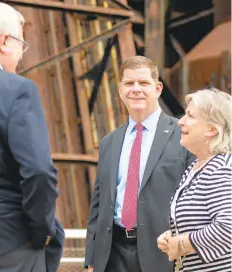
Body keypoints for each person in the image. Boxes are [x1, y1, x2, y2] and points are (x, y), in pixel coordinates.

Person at [0, 2, 64, 272]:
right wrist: (42, 231)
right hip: (5, 246)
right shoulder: (15, 89)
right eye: (21, 44)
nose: (21, 55)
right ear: (4, 41)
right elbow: (39, 172)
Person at [84, 56, 195, 272]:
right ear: (120, 90)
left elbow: (195, 197)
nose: (136, 89)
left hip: (162, 254)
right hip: (111, 255)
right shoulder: (109, 142)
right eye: (129, 83)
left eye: (143, 83)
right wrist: (91, 259)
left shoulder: (182, 135)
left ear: (158, 88)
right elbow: (98, 204)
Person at [157, 89, 232, 272]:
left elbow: (228, 228)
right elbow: (200, 221)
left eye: (190, 116)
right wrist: (172, 235)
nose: (181, 121)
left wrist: (182, 244)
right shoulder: (196, 168)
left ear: (212, 129)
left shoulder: (220, 169)